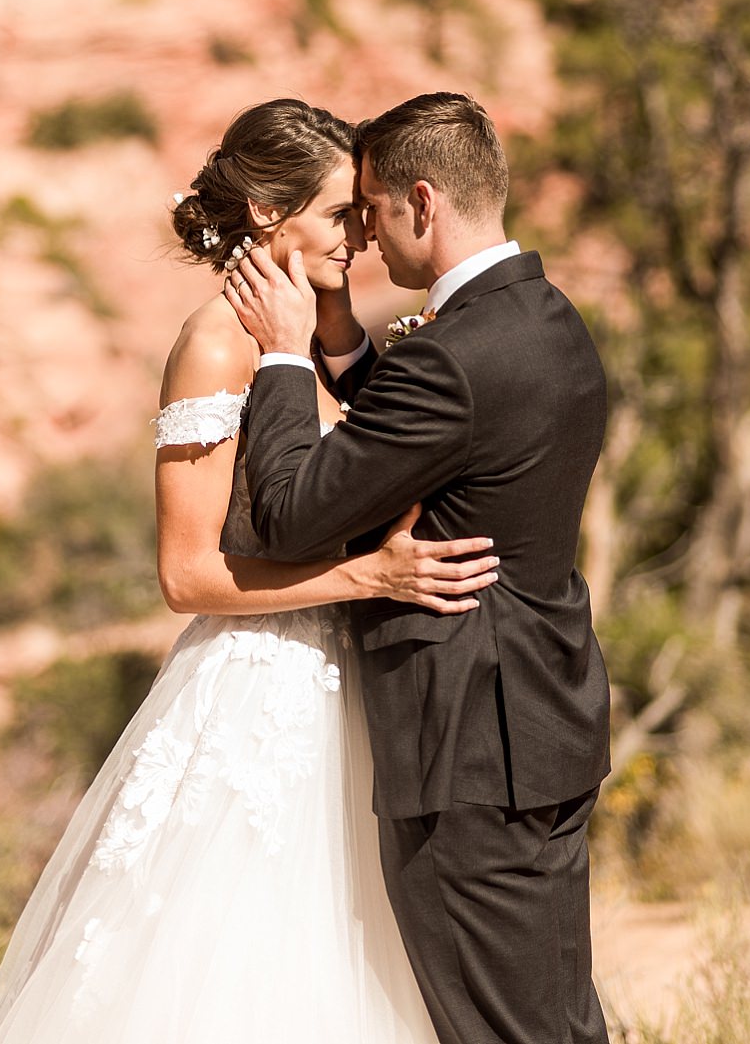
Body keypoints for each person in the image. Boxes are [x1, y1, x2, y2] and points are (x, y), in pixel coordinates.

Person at [0, 98, 495, 1043]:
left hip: (352, 691)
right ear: (268, 215)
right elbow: (186, 574)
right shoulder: (217, 340)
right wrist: (370, 577)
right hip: (260, 688)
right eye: (342, 213)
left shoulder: (310, 334)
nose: (363, 234)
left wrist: (332, 326)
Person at [227, 91, 611, 1044]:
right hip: (545, 726)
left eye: (372, 208)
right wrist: (343, 340)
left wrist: (283, 356)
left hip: (467, 752)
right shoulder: (546, 319)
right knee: (556, 1020)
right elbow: (438, 439)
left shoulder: (450, 358)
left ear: (423, 203)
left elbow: (289, 514)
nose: (364, 234)